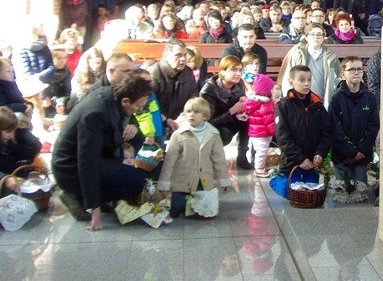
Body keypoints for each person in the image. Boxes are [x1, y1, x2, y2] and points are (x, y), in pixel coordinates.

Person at [52, 69, 152, 230]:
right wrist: (95, 207)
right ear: (125, 101)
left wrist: (132, 126)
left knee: (138, 170)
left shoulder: (113, 95)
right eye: (138, 106)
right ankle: (78, 197)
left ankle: (88, 196)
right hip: (70, 168)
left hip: (101, 156)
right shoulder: (95, 113)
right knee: (136, 181)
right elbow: (87, 160)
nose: (139, 110)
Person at [158, 97, 229, 220]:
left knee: (206, 213)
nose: (192, 115)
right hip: (181, 178)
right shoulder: (178, 134)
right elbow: (169, 160)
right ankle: (183, 203)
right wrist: (164, 183)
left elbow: (219, 159)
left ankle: (194, 205)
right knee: (176, 208)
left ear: (205, 116)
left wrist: (224, 180)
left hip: (203, 178)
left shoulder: (213, 134)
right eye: (189, 111)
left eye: (196, 112)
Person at [329, 56, 379, 185]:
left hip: (362, 156)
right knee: (343, 189)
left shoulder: (370, 98)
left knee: (361, 189)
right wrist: (351, 152)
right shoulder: (336, 99)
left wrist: (360, 152)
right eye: (352, 69)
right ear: (343, 74)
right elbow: (335, 129)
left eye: (359, 69)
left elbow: (373, 127)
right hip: (342, 156)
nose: (356, 72)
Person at [275, 65, 333, 176]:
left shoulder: (318, 106)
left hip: (312, 163)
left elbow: (326, 132)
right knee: (293, 192)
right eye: (301, 80)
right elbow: (282, 137)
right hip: (291, 163)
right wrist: (300, 159)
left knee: (311, 192)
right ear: (291, 82)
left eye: (309, 79)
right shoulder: (284, 106)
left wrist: (320, 152)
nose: (306, 83)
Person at [201, 55, 251, 170]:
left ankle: (242, 156)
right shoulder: (209, 89)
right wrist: (234, 110)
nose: (238, 73)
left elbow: (239, 104)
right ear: (222, 72)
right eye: (234, 70)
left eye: (240, 70)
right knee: (225, 134)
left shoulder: (239, 84)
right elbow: (207, 121)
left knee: (249, 118)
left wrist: (242, 111)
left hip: (229, 120)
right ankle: (210, 155)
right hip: (212, 127)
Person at [278, 23, 341, 105]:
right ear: (306, 37)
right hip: (299, 101)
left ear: (323, 37)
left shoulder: (331, 57)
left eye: (319, 34)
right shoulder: (297, 53)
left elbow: (335, 80)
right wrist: (290, 98)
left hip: (321, 102)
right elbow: (287, 77)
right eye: (312, 34)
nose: (316, 37)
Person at [148, 39, 197, 129]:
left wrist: (187, 114)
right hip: (157, 123)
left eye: (184, 55)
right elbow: (148, 105)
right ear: (166, 56)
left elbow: (193, 97)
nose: (183, 59)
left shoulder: (188, 72)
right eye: (178, 55)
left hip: (183, 120)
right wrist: (166, 120)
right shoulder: (153, 75)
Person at [242, 74, 277, 178]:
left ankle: (260, 167)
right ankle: (259, 169)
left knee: (261, 151)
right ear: (266, 91)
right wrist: (275, 132)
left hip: (257, 132)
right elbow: (269, 120)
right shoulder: (265, 104)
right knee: (262, 151)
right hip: (261, 133)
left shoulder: (256, 102)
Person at [0, 107, 41, 180]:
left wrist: (27, 173)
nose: (11, 136)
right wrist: (5, 179)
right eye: (8, 132)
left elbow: (9, 166)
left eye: (13, 131)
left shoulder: (5, 143)